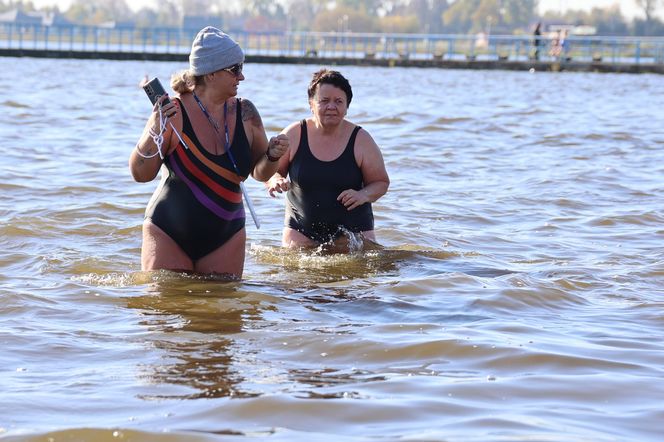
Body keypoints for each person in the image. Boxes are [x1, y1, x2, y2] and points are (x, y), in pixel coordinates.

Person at [129, 26, 288, 277]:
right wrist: (153, 128)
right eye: (235, 69)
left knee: (224, 312)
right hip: (169, 231)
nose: (242, 77)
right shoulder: (173, 112)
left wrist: (272, 156)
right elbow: (140, 174)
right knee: (163, 307)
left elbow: (259, 173)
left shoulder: (246, 112)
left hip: (226, 235)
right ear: (211, 74)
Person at [266, 69, 389, 251]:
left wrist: (362, 195)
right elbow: (270, 170)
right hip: (300, 231)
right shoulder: (294, 133)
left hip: (353, 235)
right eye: (324, 101)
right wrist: (275, 180)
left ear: (347, 107)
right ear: (311, 104)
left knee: (360, 275)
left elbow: (381, 182)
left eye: (339, 101)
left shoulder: (361, 139)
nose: (331, 106)